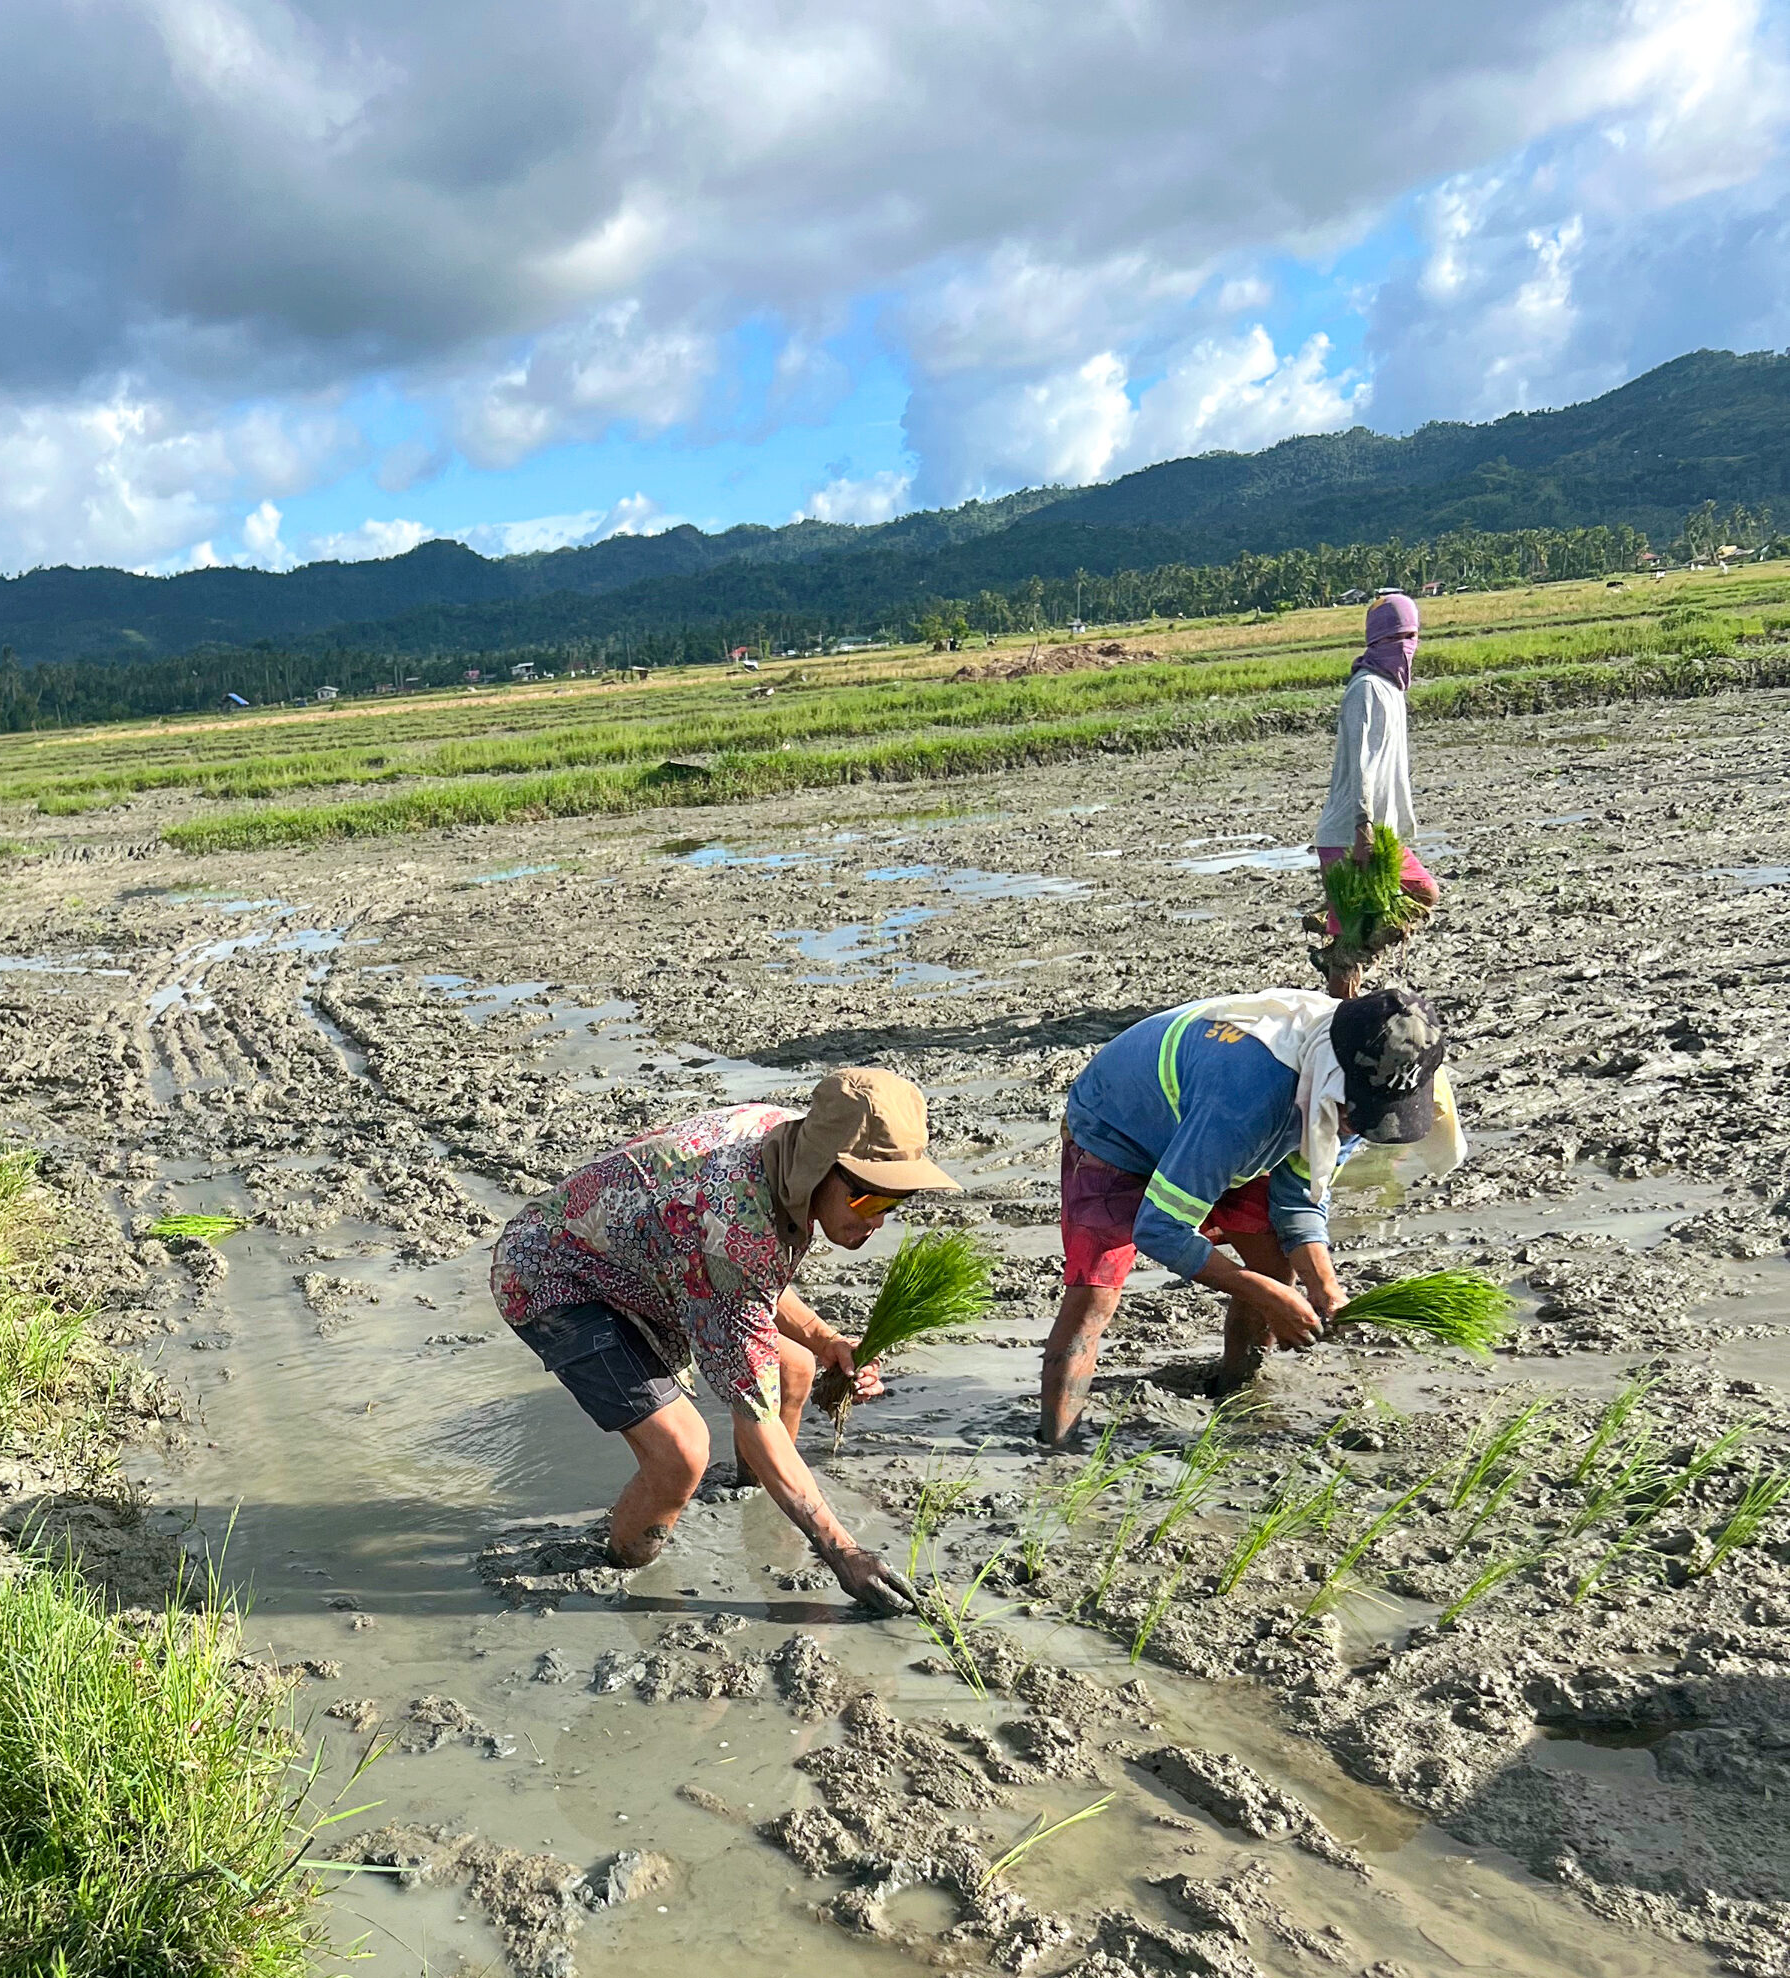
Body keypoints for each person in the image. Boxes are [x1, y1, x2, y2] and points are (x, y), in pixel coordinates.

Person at [490, 1068, 961, 1614]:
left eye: (892, 1204)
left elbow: (747, 1279)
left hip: (651, 1261)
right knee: (681, 1455)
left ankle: (755, 1495)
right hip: (553, 1273)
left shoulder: (790, 1141)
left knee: (797, 1369)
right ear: (818, 1170)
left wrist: (827, 1338)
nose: (877, 1221)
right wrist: (843, 1553)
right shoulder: (733, 1223)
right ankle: (620, 1567)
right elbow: (734, 1265)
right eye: (866, 1202)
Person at [1039, 986, 1449, 1446]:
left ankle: (1236, 1406)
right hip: (1117, 1127)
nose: (1357, 1126)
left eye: (1375, 1115)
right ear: (1333, 1073)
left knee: (1276, 1262)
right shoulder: (1252, 1092)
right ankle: (1057, 1449)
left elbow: (1297, 1197)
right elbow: (1158, 1229)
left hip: (1223, 1129)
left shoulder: (1366, 1091)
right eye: (1356, 1112)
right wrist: (1267, 1295)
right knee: (1094, 1299)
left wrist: (1324, 1285)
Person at [1314, 594, 1442, 993]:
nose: (1408, 645)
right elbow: (1362, 765)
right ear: (1379, 641)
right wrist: (1363, 825)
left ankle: (1335, 933)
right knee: (1352, 945)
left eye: (1413, 635)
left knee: (1419, 894)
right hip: (1354, 835)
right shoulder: (1366, 690)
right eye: (1400, 636)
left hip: (1379, 833)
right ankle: (1337, 1017)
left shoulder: (1391, 690)